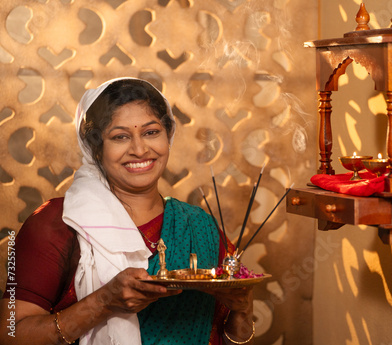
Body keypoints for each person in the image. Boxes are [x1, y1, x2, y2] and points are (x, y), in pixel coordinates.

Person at [0, 78, 255, 344]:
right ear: (96, 148)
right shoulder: (58, 222)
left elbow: (227, 336)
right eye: (120, 136)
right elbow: (9, 334)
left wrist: (242, 309)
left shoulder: (199, 226)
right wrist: (103, 303)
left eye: (151, 132)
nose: (139, 149)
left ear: (169, 135)